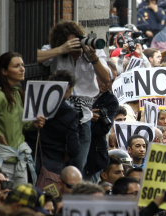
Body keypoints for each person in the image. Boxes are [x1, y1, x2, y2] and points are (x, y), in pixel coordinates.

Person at [37, 21, 112, 174]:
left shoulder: (94, 52)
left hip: (83, 114)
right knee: (56, 158)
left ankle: (72, 180)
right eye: (71, 42)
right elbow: (37, 57)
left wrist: (94, 59)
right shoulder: (56, 50)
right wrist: (61, 50)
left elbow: (106, 78)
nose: (76, 45)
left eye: (77, 40)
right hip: (60, 112)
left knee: (78, 160)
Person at [0, 52, 45, 185]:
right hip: (1, 162)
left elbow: (20, 125)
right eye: (16, 66)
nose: (22, 69)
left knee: (21, 202)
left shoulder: (17, 94)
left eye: (22, 65)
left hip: (19, 161)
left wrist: (33, 124)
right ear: (4, 71)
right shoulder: (0, 95)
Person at [25, 70, 80, 176]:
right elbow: (74, 149)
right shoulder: (70, 114)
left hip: (29, 159)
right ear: (67, 88)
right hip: (53, 164)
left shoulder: (33, 104)